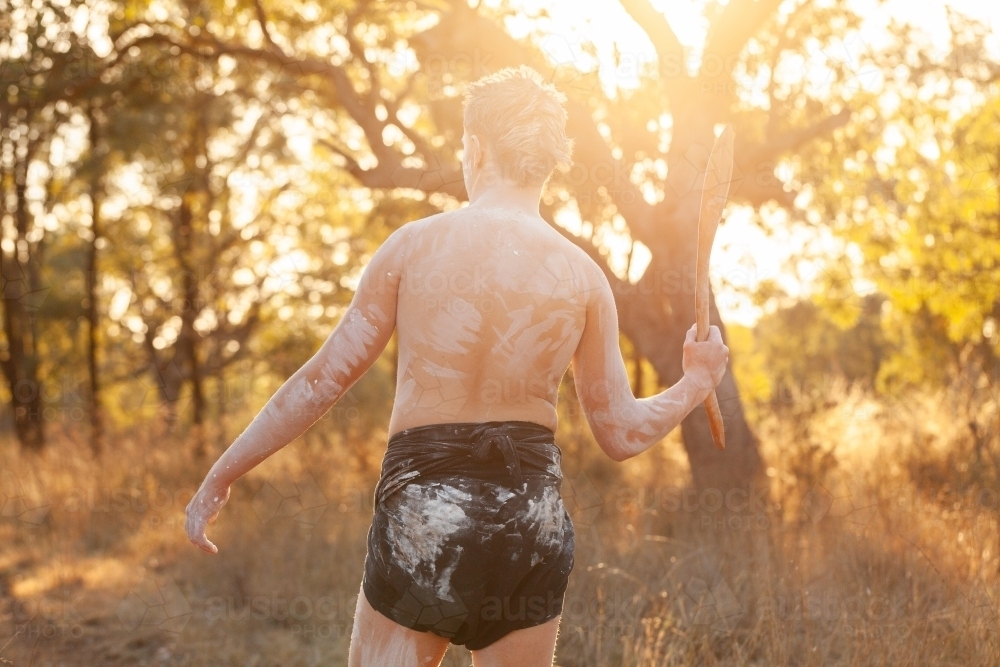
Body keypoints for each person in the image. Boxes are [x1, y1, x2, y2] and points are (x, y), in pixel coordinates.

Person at [185, 65, 729, 667]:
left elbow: (321, 381)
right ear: (548, 163)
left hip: (425, 510)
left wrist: (224, 473)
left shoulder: (413, 247)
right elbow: (621, 433)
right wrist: (695, 381)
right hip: (529, 519)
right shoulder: (582, 276)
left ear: (475, 148)